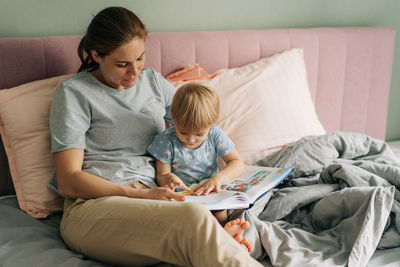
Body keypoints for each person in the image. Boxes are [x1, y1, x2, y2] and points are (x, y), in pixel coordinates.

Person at [48, 6, 262, 267]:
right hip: (96, 205)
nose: (135, 72)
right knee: (192, 220)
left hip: (157, 195)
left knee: (196, 224)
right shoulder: (74, 93)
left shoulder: (152, 81)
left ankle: (220, 243)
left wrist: (219, 176)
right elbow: (68, 181)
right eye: (122, 64)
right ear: (97, 55)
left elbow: (195, 126)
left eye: (140, 58)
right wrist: (136, 195)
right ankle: (223, 244)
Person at [147, 82, 245, 226]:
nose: (191, 139)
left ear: (211, 123)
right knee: (187, 220)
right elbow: (161, 175)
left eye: (199, 134)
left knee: (220, 212)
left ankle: (226, 233)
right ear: (173, 117)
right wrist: (169, 178)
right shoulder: (166, 140)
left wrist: (217, 179)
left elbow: (237, 162)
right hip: (184, 198)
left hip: (211, 193)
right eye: (183, 132)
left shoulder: (214, 134)